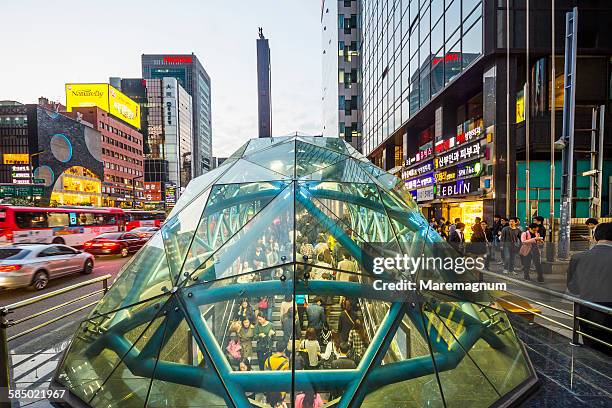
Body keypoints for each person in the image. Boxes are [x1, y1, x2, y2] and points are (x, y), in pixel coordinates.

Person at [567, 222, 612, 356]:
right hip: (609, 315)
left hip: (586, 313)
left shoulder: (577, 257)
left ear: (595, 237)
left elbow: (573, 288)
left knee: (593, 356)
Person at [264, 342, 290, 407]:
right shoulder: (286, 362)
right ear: (284, 350)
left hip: (270, 388)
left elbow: (265, 376)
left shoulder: (268, 360)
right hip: (280, 390)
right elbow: (286, 379)